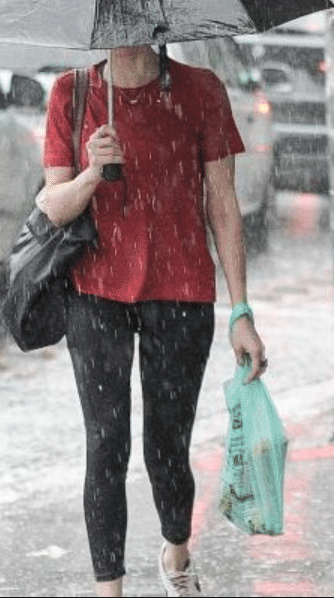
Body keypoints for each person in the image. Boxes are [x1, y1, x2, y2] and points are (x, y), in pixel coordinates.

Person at [35, 43, 268, 597]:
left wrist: (241, 311)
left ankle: (176, 552)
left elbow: (223, 203)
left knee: (167, 443)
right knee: (106, 442)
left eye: (140, 12)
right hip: (95, 291)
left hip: (180, 288)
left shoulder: (201, 90)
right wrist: (93, 172)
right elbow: (52, 206)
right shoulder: (73, 94)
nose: (128, 26)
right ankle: (108, 588)